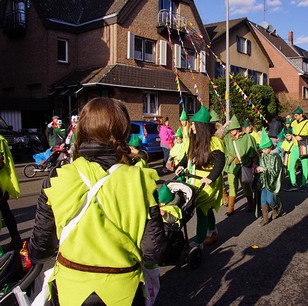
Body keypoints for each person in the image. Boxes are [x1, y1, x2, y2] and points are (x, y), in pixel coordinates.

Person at [28, 97, 168, 305]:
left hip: (70, 291)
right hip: (123, 290)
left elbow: (40, 248)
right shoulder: (140, 179)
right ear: (124, 132)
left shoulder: (58, 176)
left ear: (82, 130)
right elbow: (153, 251)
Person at [175, 105, 225, 248]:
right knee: (206, 208)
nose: (192, 128)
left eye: (195, 126)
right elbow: (187, 156)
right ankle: (213, 231)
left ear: (202, 127)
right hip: (195, 178)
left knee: (201, 210)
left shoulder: (214, 142)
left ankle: (199, 242)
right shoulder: (193, 140)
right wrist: (181, 165)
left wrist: (210, 178)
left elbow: (220, 162)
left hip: (209, 181)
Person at [223, 114, 259, 216]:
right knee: (232, 185)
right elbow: (218, 137)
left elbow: (253, 152)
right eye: (230, 130)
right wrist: (225, 126)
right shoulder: (227, 138)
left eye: (232, 129)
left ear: (237, 129)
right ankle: (230, 208)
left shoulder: (247, 137)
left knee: (245, 186)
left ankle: (251, 204)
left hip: (244, 165)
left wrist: (252, 164)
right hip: (232, 165)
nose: (231, 132)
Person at [255, 128, 283, 226]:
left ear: (270, 147)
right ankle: (265, 218)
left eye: (265, 149)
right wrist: (257, 169)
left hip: (271, 182)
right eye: (262, 149)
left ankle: (275, 208)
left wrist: (264, 170)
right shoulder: (261, 156)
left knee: (270, 200)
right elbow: (258, 165)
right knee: (263, 200)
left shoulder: (276, 157)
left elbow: (276, 171)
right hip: (263, 181)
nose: (263, 151)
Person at [0, 135, 22, 252]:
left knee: (5, 212)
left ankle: (15, 239)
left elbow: (1, 162)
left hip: (1, 183)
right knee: (5, 211)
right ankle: (16, 238)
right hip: (2, 183)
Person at [290, 106, 308, 191]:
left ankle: (303, 184)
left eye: (296, 115)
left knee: (304, 166)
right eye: (294, 115)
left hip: (303, 147)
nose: (295, 117)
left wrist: (302, 138)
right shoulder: (294, 123)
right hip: (295, 147)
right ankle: (293, 184)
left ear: (301, 115)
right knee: (290, 166)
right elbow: (290, 131)